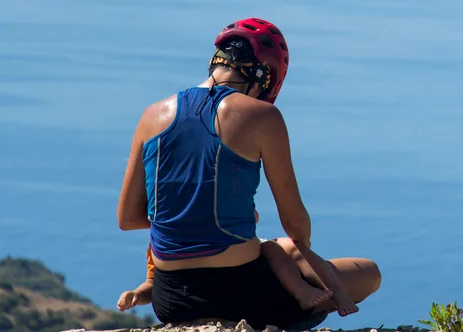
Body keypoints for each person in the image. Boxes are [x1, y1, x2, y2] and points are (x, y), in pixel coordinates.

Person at [117, 18, 380, 329]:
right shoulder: (263, 116)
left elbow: (128, 219)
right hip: (243, 294)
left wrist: (192, 218)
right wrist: (298, 252)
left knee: (277, 254)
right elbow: (295, 224)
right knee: (367, 273)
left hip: (170, 298)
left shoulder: (152, 115)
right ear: (264, 77)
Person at [117, 216, 352, 315]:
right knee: (279, 249)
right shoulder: (161, 246)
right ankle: (303, 291)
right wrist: (137, 294)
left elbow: (252, 216)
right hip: (240, 283)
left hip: (250, 252)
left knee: (287, 248)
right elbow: (154, 282)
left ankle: (334, 292)